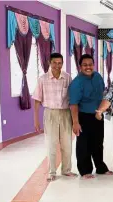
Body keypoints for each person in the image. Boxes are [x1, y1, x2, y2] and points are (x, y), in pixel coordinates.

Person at [33, 53, 77, 182]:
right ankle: (51, 172)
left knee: (67, 144)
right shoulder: (43, 79)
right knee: (51, 144)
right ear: (49, 63)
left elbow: (73, 99)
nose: (57, 65)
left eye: (60, 63)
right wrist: (35, 120)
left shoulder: (68, 78)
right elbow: (37, 100)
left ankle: (66, 170)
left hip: (65, 113)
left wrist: (75, 119)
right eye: (54, 63)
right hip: (50, 113)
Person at [68, 54, 113, 179]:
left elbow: (103, 93)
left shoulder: (98, 77)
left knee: (98, 143)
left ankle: (100, 167)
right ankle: (85, 170)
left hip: (98, 115)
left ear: (93, 65)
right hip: (83, 117)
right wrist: (75, 122)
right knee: (84, 144)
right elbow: (74, 104)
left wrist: (106, 108)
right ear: (80, 66)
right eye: (85, 65)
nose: (88, 67)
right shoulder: (77, 83)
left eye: (90, 64)